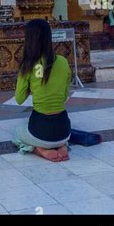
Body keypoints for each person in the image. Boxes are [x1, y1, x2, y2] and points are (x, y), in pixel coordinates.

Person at [13, 19, 72, 162]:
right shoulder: (63, 62)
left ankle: (40, 150)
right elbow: (64, 97)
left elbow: (19, 99)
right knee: (59, 132)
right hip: (64, 130)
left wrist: (31, 87)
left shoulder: (27, 65)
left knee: (17, 132)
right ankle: (62, 146)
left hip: (40, 131)